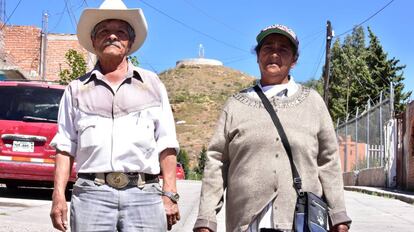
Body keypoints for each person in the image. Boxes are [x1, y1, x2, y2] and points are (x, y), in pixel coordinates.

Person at [193, 24, 352, 232]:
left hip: (300, 222)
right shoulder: (236, 104)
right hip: (246, 224)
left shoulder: (313, 103)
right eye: (267, 48)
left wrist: (338, 215)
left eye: (283, 49)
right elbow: (216, 162)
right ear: (258, 56)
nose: (274, 54)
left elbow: (328, 160)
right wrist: (206, 218)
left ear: (294, 60)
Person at [49, 0, 180, 231]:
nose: (112, 37)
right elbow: (65, 147)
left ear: (129, 43)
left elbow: (167, 143)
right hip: (91, 195)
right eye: (104, 31)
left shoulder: (152, 84)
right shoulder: (76, 89)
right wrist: (58, 196)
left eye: (120, 32)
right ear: (93, 41)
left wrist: (170, 194)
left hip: (144, 195)